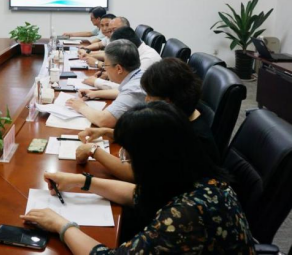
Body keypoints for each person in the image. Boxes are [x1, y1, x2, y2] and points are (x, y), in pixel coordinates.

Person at [21, 102, 255, 255]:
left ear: (152, 160)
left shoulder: (186, 215)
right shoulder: (198, 177)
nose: (125, 159)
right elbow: (137, 194)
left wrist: (61, 225)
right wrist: (81, 181)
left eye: (128, 155)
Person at [75, 58, 220, 183]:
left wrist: (94, 151)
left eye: (150, 95)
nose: (146, 100)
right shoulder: (184, 114)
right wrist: (108, 132)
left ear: (167, 101)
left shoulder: (186, 138)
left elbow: (134, 174)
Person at [66, 40, 145, 127]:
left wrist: (81, 107)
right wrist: (94, 94)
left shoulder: (134, 88)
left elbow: (104, 121)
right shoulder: (139, 76)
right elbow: (122, 92)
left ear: (119, 69)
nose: (105, 69)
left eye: (105, 66)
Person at [83, 26, 161, 91]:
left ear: (125, 45)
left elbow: (131, 88)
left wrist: (96, 82)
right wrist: (109, 74)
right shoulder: (133, 52)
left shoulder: (148, 59)